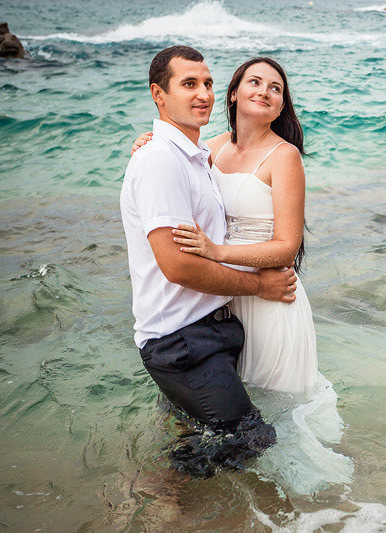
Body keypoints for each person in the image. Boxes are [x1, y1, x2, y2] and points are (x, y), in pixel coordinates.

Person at [120, 46, 298, 472]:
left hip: (212, 325)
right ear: (158, 95)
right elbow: (178, 266)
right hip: (182, 339)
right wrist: (259, 284)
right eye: (188, 84)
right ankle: (157, 492)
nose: (203, 93)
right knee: (250, 440)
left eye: (207, 83)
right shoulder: (164, 159)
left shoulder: (196, 155)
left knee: (198, 429)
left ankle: (171, 492)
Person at [133, 57, 319, 395]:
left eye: (275, 89)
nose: (265, 91)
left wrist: (217, 251)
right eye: (255, 82)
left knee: (277, 403)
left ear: (280, 108)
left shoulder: (284, 156)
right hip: (224, 296)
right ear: (233, 94)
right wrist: (149, 143)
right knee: (220, 401)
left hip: (268, 293)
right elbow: (173, 167)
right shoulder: (211, 147)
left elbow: (287, 247)